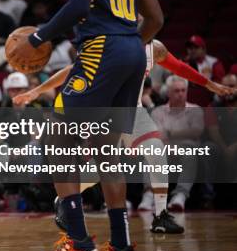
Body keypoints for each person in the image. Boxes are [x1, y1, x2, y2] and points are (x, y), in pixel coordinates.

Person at [12, 0, 164, 251]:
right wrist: (128, 46)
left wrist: (37, 37)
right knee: (108, 150)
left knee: (55, 139)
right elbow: (156, 18)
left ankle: (77, 241)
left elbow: (78, 6)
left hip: (104, 47)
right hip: (131, 48)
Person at [15, 39, 235, 233]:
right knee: (102, 170)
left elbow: (181, 68)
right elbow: (73, 70)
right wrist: (36, 91)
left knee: (156, 152)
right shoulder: (107, 44)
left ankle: (160, 216)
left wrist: (211, 84)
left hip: (135, 111)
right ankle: (64, 198)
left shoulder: (154, 48)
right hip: (106, 113)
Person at [151, 76, 205, 212]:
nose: (181, 94)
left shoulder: (196, 109)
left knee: (189, 152)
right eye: (176, 91)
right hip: (164, 150)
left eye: (183, 90)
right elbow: (159, 136)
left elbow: (196, 131)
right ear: (168, 92)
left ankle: (180, 196)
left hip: (188, 150)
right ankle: (149, 194)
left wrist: (170, 133)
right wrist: (170, 142)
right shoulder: (158, 112)